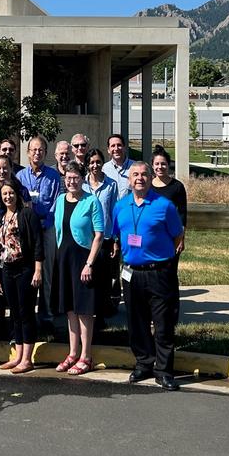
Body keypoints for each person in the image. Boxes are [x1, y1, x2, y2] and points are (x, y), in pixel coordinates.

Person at [113, 162, 184, 391]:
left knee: (162, 324)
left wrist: (162, 260)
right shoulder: (120, 206)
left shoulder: (165, 206)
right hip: (131, 274)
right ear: (129, 179)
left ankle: (163, 371)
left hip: (158, 272)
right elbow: (116, 234)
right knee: (137, 321)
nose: (139, 178)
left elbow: (177, 237)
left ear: (151, 178)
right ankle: (144, 363)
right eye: (135, 175)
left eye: (144, 174)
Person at [52, 162, 104, 376]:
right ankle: (73, 353)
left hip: (83, 261)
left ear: (82, 178)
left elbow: (99, 235)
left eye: (76, 177)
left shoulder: (92, 201)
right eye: (68, 177)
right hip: (64, 260)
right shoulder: (60, 200)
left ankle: (86, 356)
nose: (72, 181)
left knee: (84, 310)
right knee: (70, 309)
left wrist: (89, 264)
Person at [0, 182, 43, 374]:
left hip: (25, 269)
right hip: (7, 270)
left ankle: (27, 359)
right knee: (14, 314)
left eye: (11, 193)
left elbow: (38, 243)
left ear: (18, 194)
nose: (8, 197)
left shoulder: (27, 214)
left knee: (26, 312)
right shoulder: (0, 218)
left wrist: (38, 270)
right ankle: (18, 356)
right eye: (4, 194)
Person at [15, 137, 60, 332]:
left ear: (45, 152)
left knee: (47, 273)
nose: (37, 153)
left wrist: (45, 222)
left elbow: (56, 203)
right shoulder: (20, 176)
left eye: (40, 150)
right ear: (28, 153)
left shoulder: (54, 176)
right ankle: (28, 315)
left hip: (47, 228)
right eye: (33, 150)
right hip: (27, 231)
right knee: (28, 272)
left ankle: (47, 315)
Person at [83, 148, 119, 324]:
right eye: (91, 162)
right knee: (89, 277)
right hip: (85, 239)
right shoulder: (82, 185)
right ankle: (88, 312)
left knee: (104, 278)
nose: (95, 165)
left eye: (98, 162)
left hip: (104, 238)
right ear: (87, 164)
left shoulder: (111, 185)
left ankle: (101, 314)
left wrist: (115, 240)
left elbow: (114, 212)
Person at [150, 145, 187, 254]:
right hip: (150, 234)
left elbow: (182, 214)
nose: (160, 167)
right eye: (157, 164)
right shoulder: (147, 186)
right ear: (152, 166)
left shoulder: (177, 186)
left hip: (171, 235)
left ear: (168, 165)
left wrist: (181, 239)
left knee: (168, 269)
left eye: (163, 164)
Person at [102, 133, 135, 201]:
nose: (116, 148)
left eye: (119, 145)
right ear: (108, 150)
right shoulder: (104, 169)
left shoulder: (135, 167)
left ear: (124, 148)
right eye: (113, 146)